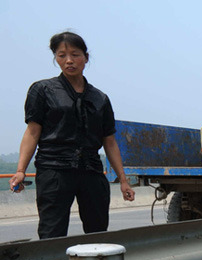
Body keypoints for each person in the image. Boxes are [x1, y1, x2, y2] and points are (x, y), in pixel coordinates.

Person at [9, 31, 134, 239]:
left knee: (97, 231)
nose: (69, 61)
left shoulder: (99, 98)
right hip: (54, 170)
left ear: (86, 57)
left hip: (91, 171)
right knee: (52, 232)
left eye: (75, 54)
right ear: (56, 58)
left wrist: (123, 180)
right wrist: (21, 170)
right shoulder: (42, 90)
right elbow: (32, 132)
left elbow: (109, 141)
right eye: (61, 55)